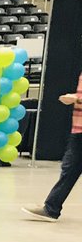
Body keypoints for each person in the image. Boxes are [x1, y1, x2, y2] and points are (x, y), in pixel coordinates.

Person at [24, 76, 82, 221]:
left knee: (69, 169)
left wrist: (76, 99)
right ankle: (51, 208)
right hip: (78, 129)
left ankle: (52, 208)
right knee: (69, 170)